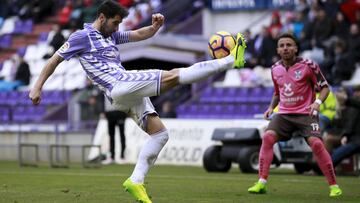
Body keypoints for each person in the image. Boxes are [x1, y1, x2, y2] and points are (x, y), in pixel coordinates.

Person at [28, 1, 246, 202]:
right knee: (172, 76)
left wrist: (154, 28)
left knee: (160, 134)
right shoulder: (81, 37)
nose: (117, 27)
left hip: (121, 96)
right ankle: (229, 61)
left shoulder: (110, 35)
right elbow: (54, 60)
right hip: (119, 83)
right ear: (102, 17)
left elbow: (138, 34)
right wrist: (37, 86)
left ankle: (136, 181)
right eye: (115, 22)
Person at [247, 33, 342, 197]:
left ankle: (333, 186)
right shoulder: (274, 69)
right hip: (284, 114)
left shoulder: (309, 65)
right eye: (282, 45)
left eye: (289, 45)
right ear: (277, 50)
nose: (285, 48)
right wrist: (271, 108)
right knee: (268, 137)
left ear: (296, 48)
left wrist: (317, 103)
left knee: (317, 145)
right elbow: (277, 93)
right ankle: (261, 183)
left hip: (306, 113)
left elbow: (325, 87)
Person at [331, 86, 360, 168]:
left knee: (337, 154)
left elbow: (350, 124)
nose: (356, 93)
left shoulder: (354, 106)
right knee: (336, 153)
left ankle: (322, 168)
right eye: (355, 91)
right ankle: (322, 168)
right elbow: (347, 124)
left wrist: (345, 99)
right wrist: (345, 135)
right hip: (352, 138)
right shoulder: (352, 107)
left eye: (358, 91)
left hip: (355, 140)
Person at [102, 97, 128, 164]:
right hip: (109, 113)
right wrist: (104, 112)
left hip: (120, 112)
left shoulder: (120, 86)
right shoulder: (104, 88)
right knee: (111, 136)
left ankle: (122, 156)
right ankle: (112, 157)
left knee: (122, 135)